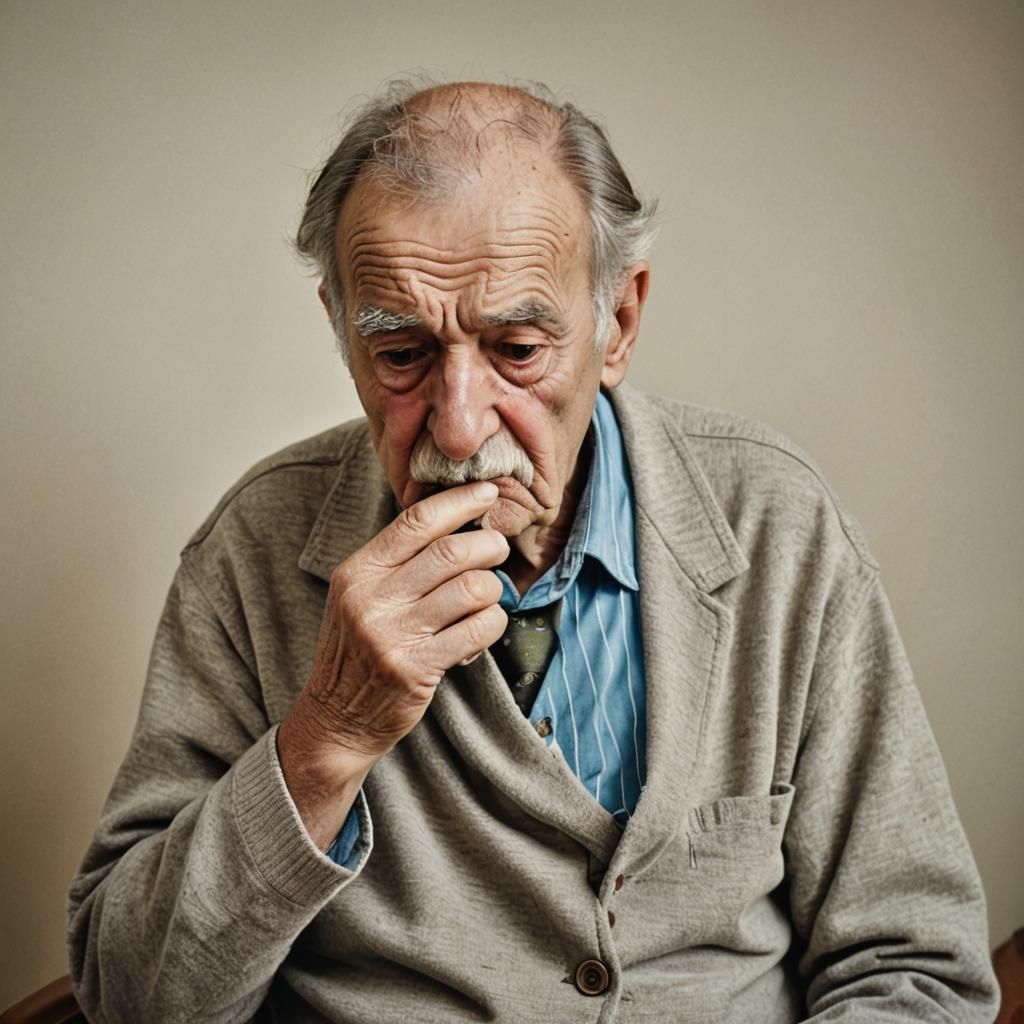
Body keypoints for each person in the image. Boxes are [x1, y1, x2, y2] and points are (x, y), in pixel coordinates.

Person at [67, 80, 998, 1023]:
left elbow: (917, 968)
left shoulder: (779, 525)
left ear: (618, 323)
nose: (461, 427)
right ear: (340, 331)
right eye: (401, 355)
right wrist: (326, 739)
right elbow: (133, 1000)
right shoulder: (249, 551)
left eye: (516, 348)